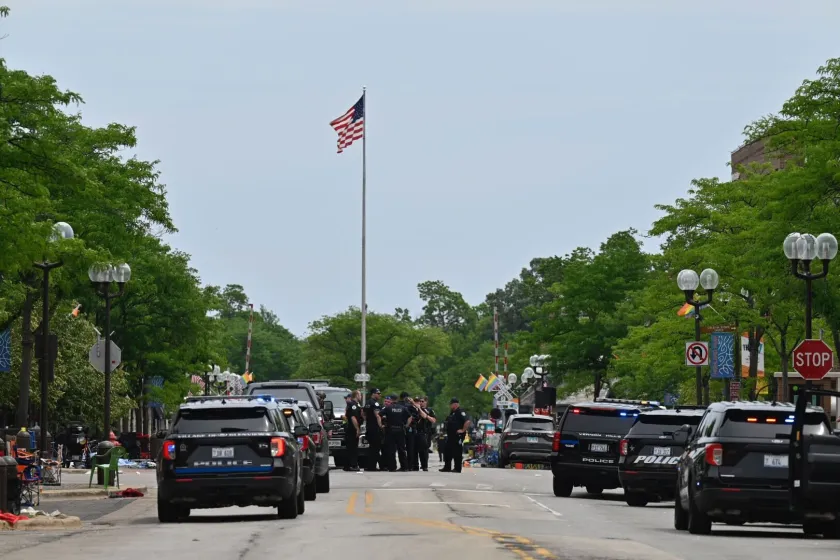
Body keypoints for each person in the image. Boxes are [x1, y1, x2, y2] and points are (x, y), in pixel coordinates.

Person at [440, 397, 470, 473]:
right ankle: (447, 467)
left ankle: (457, 468)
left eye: (451, 404)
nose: (450, 406)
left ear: (455, 404)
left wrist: (463, 430)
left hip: (457, 436)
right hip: (450, 436)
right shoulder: (452, 412)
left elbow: (467, 421)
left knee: (457, 452)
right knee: (447, 451)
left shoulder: (461, 412)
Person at [381, 394, 410, 472]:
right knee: (402, 449)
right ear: (397, 399)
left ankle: (392, 467)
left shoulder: (388, 408)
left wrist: (382, 425)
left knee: (391, 450)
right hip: (400, 430)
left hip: (390, 430)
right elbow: (410, 416)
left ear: (391, 399)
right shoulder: (403, 408)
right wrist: (406, 425)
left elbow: (379, 414)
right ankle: (404, 467)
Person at [363, 388, 384, 471]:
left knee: (372, 448)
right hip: (375, 428)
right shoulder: (375, 403)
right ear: (373, 394)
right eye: (378, 393)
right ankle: (374, 466)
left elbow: (363, 414)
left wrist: (368, 421)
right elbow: (377, 415)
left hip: (369, 427)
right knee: (376, 448)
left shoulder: (367, 402)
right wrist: (381, 425)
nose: (379, 395)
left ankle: (371, 466)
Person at [413, 396, 436, 471]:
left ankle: (424, 465)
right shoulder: (415, 409)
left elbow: (433, 420)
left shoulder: (429, 410)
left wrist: (427, 416)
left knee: (424, 450)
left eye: (423, 401)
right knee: (414, 450)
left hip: (425, 432)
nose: (421, 403)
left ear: (426, 402)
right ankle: (415, 465)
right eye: (420, 401)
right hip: (415, 431)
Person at [344, 390, 362, 472]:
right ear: (357, 395)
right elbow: (353, 417)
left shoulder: (351, 404)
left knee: (350, 447)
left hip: (349, 428)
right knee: (353, 447)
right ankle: (353, 465)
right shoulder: (353, 405)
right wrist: (357, 428)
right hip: (352, 429)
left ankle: (347, 465)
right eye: (360, 395)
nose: (361, 397)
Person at [401, 392, 419, 470]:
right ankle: (410, 466)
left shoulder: (400, 405)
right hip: (410, 428)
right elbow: (417, 415)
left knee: (402, 448)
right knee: (410, 448)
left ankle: (404, 466)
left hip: (402, 428)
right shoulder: (411, 406)